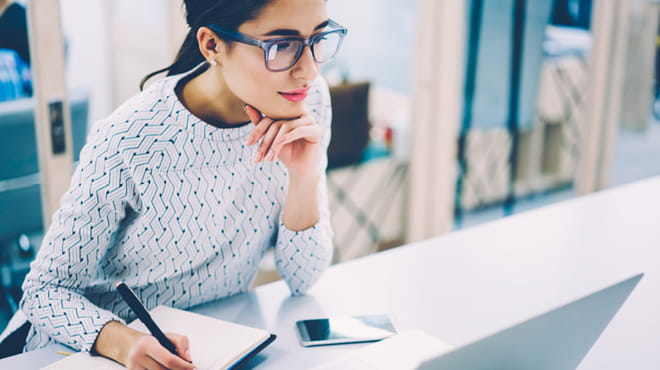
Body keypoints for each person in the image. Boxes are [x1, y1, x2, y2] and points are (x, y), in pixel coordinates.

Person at [5, 0, 346, 368]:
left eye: (318, 39)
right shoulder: (131, 138)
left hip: (210, 346)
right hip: (82, 352)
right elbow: (44, 292)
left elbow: (303, 278)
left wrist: (305, 175)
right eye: (282, 47)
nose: (308, 71)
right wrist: (122, 342)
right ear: (211, 45)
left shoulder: (308, 103)